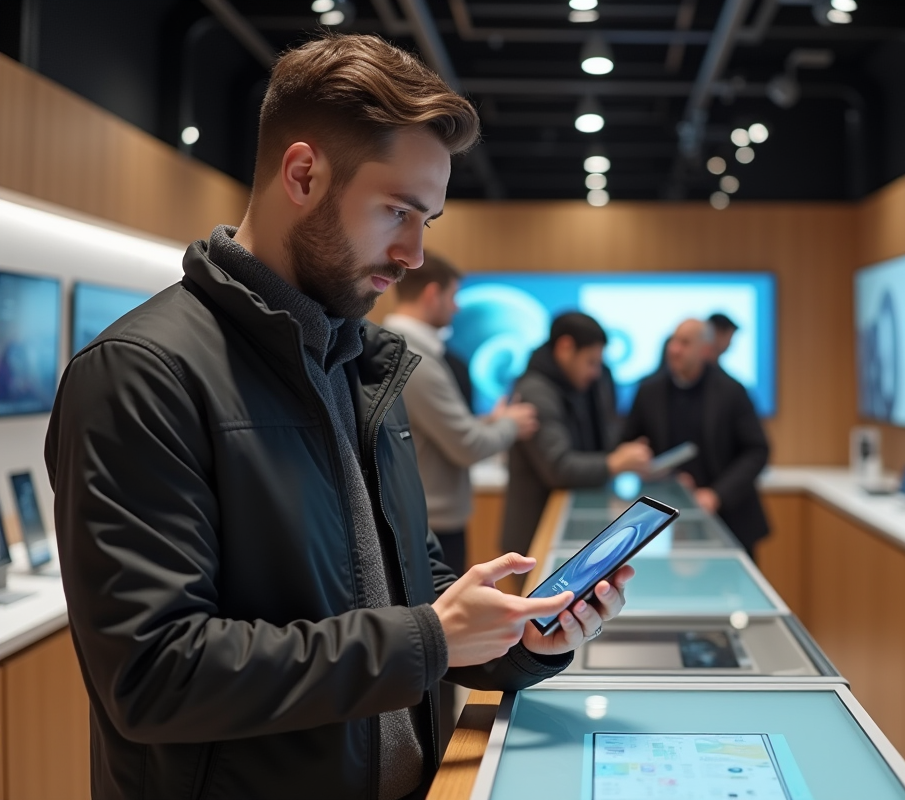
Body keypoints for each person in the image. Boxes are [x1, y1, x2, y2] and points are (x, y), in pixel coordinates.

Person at [45, 34, 632, 800]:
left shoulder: (360, 365)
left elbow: (406, 599)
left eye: (429, 220)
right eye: (397, 210)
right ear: (302, 174)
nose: (416, 253)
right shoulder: (140, 374)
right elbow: (156, 674)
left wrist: (517, 638)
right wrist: (429, 636)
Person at [381, 252, 538, 578]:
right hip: (431, 524)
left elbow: (428, 429)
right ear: (432, 294)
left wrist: (488, 423)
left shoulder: (399, 348)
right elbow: (466, 445)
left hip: (424, 517)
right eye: (453, 297)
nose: (457, 307)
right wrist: (511, 424)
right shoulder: (414, 358)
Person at [502, 312, 653, 554]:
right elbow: (559, 468)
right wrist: (615, 463)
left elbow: (604, 436)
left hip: (576, 529)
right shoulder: (536, 392)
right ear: (565, 348)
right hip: (539, 538)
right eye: (590, 362)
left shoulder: (589, 384)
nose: (596, 372)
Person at [622, 318, 770, 555]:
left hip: (729, 518)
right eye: (673, 341)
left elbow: (757, 450)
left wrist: (716, 494)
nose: (674, 349)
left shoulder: (732, 391)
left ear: (706, 350)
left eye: (684, 342)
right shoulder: (648, 390)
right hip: (667, 518)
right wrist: (642, 462)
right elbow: (627, 443)